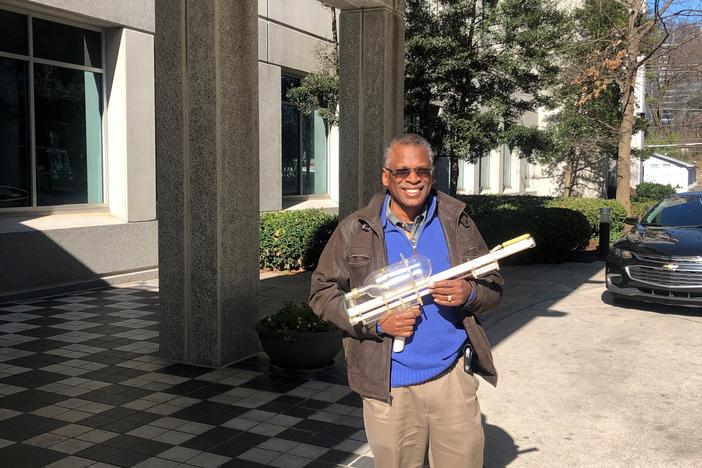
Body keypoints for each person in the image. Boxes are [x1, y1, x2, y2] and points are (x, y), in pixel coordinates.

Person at [309, 133, 504, 467]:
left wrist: (469, 293)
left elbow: (493, 285)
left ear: (432, 175)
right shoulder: (355, 229)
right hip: (390, 386)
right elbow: (322, 293)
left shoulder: (457, 222)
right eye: (402, 172)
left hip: (452, 377)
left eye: (422, 171)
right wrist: (376, 323)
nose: (413, 179)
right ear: (386, 177)